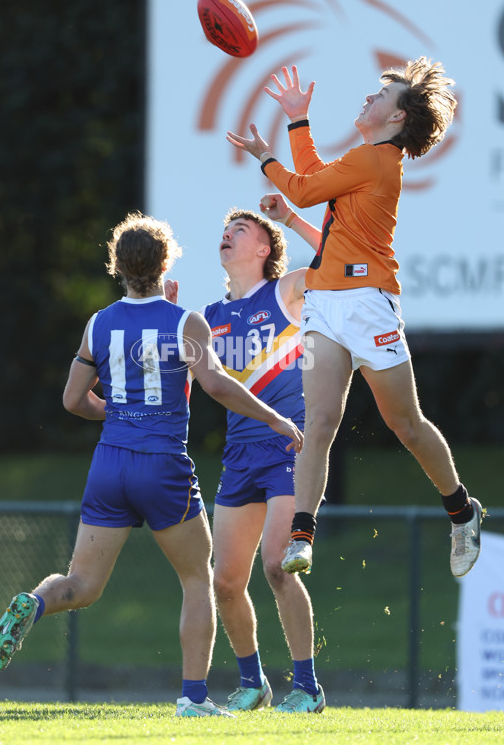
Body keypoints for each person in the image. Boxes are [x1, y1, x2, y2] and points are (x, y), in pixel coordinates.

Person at [0, 211, 303, 718]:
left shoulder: (99, 322)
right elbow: (218, 385)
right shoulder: (185, 321)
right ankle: (193, 700)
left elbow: (73, 399)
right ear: (165, 261)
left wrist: (114, 413)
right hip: (162, 465)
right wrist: (279, 421)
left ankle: (36, 601)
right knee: (200, 579)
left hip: (109, 465)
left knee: (81, 586)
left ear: (118, 266)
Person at [226, 59, 483, 579]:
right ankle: (302, 532)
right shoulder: (366, 158)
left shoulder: (379, 160)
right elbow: (316, 186)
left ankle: (461, 510)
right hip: (324, 303)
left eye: (381, 96)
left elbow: (302, 186)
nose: (370, 99)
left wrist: (267, 156)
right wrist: (298, 125)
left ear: (397, 119)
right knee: (318, 423)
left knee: (405, 425)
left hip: (369, 305)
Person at [202, 208, 324, 713]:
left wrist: (292, 216)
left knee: (277, 566)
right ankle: (254, 683)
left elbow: (338, 256)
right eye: (225, 230)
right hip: (240, 455)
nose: (228, 235)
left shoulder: (285, 293)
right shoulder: (208, 317)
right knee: (225, 582)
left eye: (241, 230)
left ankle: (308, 688)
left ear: (263, 249)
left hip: (288, 448)